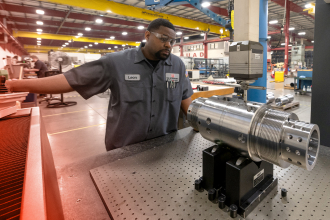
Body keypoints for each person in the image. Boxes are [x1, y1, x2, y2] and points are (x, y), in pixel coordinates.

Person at [5, 18, 193, 151]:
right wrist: (19, 84)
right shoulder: (116, 62)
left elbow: (186, 101)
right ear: (147, 35)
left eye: (172, 41)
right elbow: (72, 79)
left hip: (165, 146)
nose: (169, 44)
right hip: (124, 150)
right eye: (163, 38)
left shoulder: (177, 65)